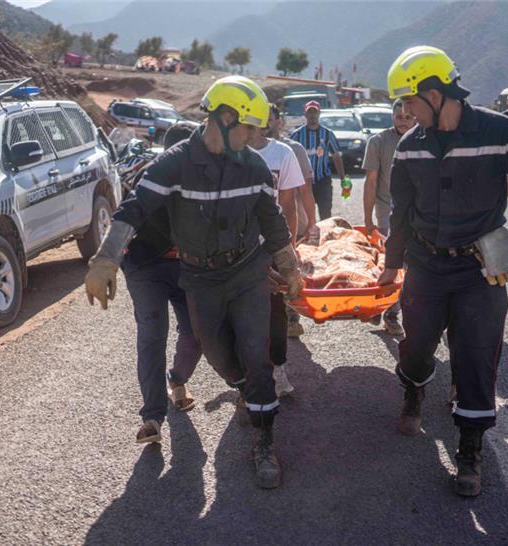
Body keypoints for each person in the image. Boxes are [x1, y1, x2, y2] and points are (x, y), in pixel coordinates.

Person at [378, 46, 508, 497]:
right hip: (426, 267)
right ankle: (414, 388)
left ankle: (469, 449)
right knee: (415, 348)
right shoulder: (410, 148)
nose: (405, 112)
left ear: (434, 94)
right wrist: (391, 264)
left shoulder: (499, 132)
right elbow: (401, 213)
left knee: (475, 356)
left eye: (409, 102)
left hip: (478, 271)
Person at [84, 76, 301, 489]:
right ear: (225, 117)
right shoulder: (175, 164)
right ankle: (245, 388)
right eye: (248, 128)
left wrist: (288, 264)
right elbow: (134, 208)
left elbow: (272, 219)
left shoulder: (253, 166)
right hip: (201, 279)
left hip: (247, 271)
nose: (254, 138)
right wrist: (106, 259)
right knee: (218, 355)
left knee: (256, 352)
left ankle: (264, 442)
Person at [121, 208, 203, 444]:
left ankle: (177, 380)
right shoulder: (147, 185)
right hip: (144, 265)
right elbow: (125, 214)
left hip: (189, 264)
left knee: (198, 332)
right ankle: (152, 418)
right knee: (152, 336)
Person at [250, 108, 307, 397]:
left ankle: (278, 369)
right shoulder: (227, 153)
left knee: (275, 310)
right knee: (241, 312)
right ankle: (246, 377)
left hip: (270, 244)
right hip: (236, 247)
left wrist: (289, 247)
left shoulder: (282, 153)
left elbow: (288, 205)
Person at [362, 99, 415, 336]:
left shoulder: (423, 140)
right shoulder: (378, 142)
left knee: (408, 266)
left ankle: (389, 311)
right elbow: (371, 182)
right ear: (392, 117)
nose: (403, 122)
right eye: (399, 117)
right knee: (390, 260)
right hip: (387, 211)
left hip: (416, 212)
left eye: (408, 117)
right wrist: (368, 220)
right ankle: (383, 307)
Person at [268, 104, 317, 338]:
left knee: (288, 273)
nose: (265, 123)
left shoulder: (293, 150)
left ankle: (291, 319)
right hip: (260, 229)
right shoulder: (244, 148)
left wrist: (312, 221)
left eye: (270, 118)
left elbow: (305, 189)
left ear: (279, 121)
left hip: (289, 222)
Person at [290, 101, 346, 220]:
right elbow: (289, 157)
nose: (312, 115)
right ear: (305, 114)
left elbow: (336, 156)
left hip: (323, 180)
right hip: (303, 182)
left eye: (315, 112)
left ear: (319, 113)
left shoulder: (327, 134)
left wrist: (343, 178)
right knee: (304, 217)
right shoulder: (297, 135)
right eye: (310, 112)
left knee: (325, 215)